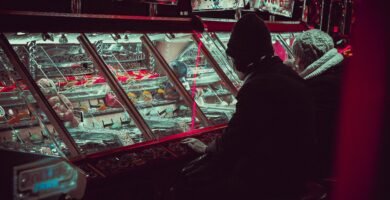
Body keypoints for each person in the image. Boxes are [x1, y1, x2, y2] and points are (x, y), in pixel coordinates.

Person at [177, 14, 316, 200]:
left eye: (233, 58)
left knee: (187, 184)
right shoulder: (287, 75)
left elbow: (235, 141)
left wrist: (206, 148)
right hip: (296, 174)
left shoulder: (258, 87)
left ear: (241, 59)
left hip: (269, 183)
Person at [290, 29, 345, 179]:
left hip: (327, 170)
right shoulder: (342, 71)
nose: (294, 62)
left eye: (295, 58)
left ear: (300, 60)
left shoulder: (318, 89)